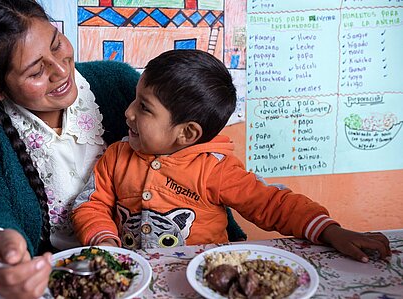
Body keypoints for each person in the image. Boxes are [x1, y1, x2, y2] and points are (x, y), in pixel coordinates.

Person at [0, 1, 245, 297]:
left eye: (57, 44)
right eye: (35, 72)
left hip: (149, 263)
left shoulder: (117, 83)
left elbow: (191, 158)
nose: (61, 70)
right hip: (56, 277)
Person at [72, 49, 392, 263]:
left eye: (144, 107)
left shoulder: (217, 169)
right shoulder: (116, 156)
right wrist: (103, 239)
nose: (127, 113)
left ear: (187, 133)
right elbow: (91, 203)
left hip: (203, 276)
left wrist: (330, 231)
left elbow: (271, 203)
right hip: (136, 277)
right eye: (134, 99)